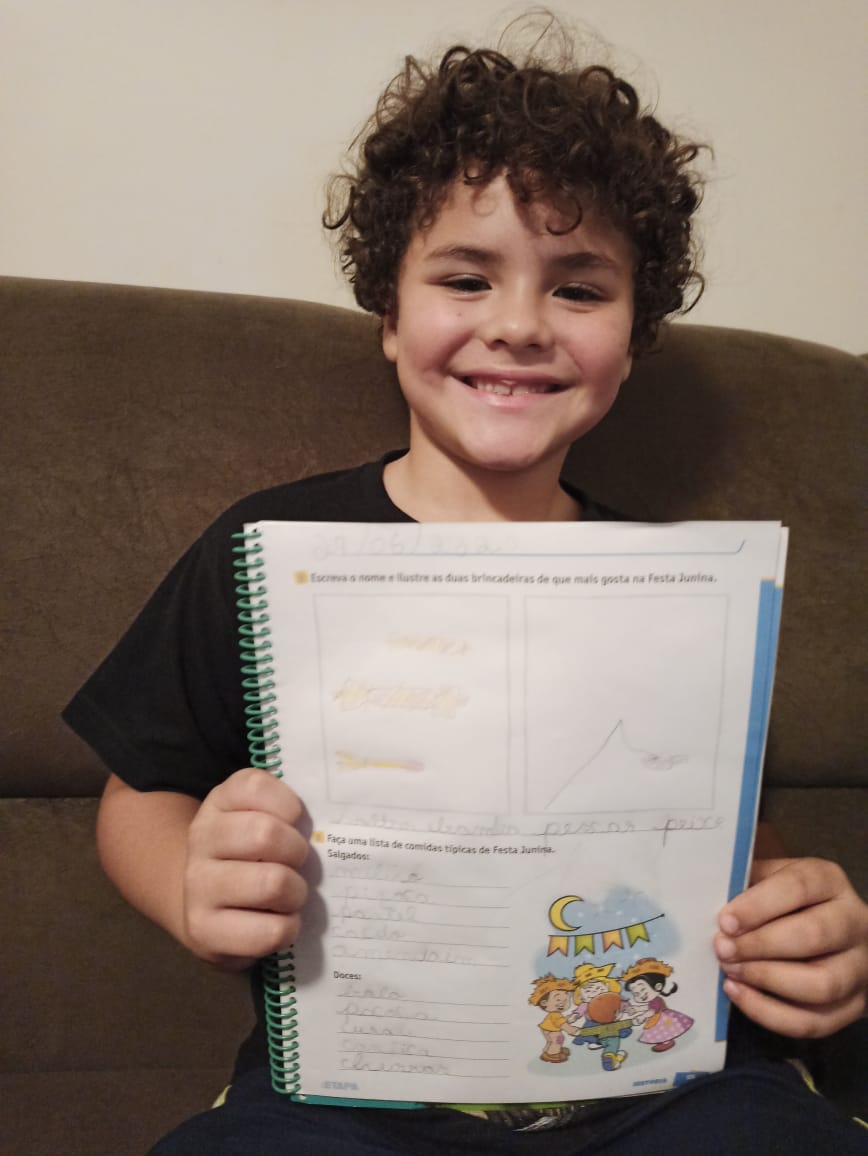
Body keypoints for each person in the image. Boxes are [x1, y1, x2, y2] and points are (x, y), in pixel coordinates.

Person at [62, 14, 868, 1155]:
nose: (520, 325)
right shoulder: (269, 547)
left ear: (634, 338)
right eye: (465, 277)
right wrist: (191, 879)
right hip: (348, 1089)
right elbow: (140, 786)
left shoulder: (683, 588)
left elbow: (729, 835)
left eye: (579, 290)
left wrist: (794, 915)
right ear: (390, 318)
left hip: (663, 1084)